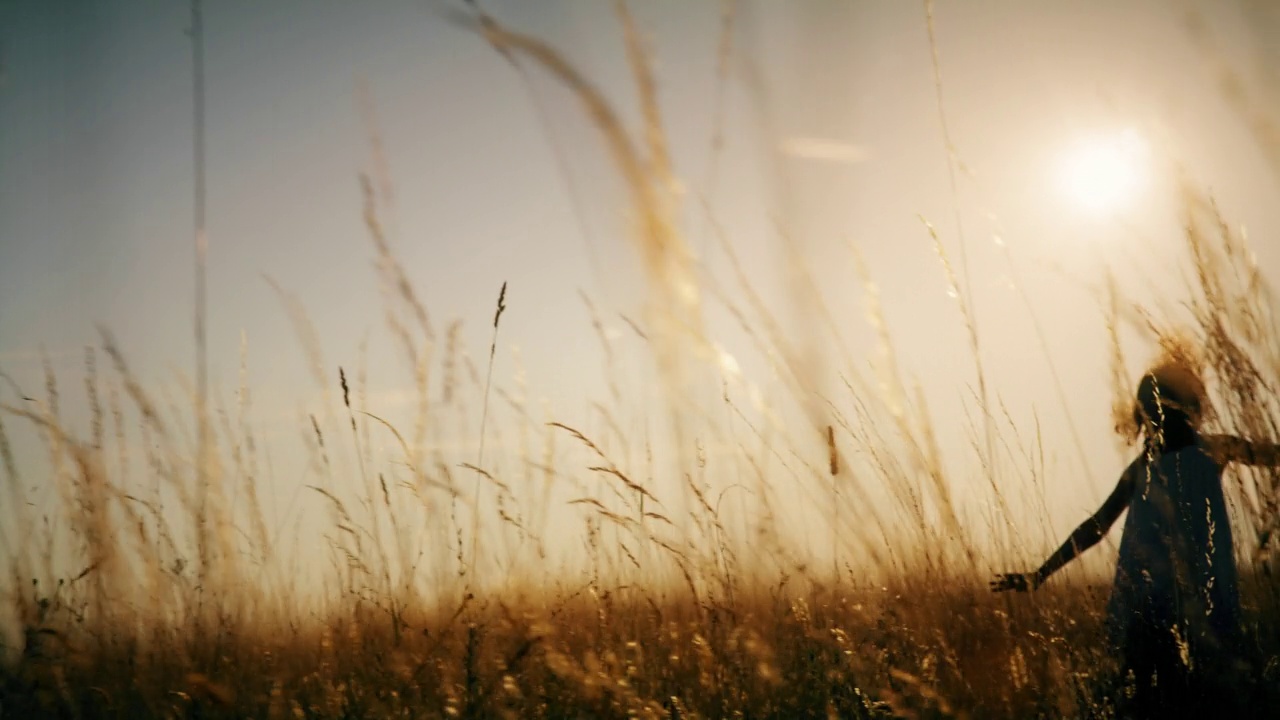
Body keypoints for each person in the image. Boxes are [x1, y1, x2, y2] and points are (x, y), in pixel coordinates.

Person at [991, 360, 1279, 717]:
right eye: (1153, 412)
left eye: (1165, 408)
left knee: (1197, 696)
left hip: (1201, 605)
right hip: (1147, 606)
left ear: (1188, 408)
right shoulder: (1143, 469)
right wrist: (1041, 573)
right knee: (1153, 698)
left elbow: (1271, 454)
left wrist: (1041, 573)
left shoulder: (1214, 449)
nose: (1160, 421)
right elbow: (1097, 525)